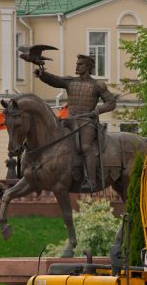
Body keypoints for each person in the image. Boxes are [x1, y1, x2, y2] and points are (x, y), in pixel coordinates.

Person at [34, 54, 116, 189]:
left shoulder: (98, 85)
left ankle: (90, 181)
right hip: (70, 120)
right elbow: (55, 80)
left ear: (88, 67)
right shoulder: (70, 81)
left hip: (86, 122)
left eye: (80, 64)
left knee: (85, 147)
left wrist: (98, 111)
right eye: (77, 64)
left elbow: (111, 103)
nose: (76, 66)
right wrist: (42, 74)